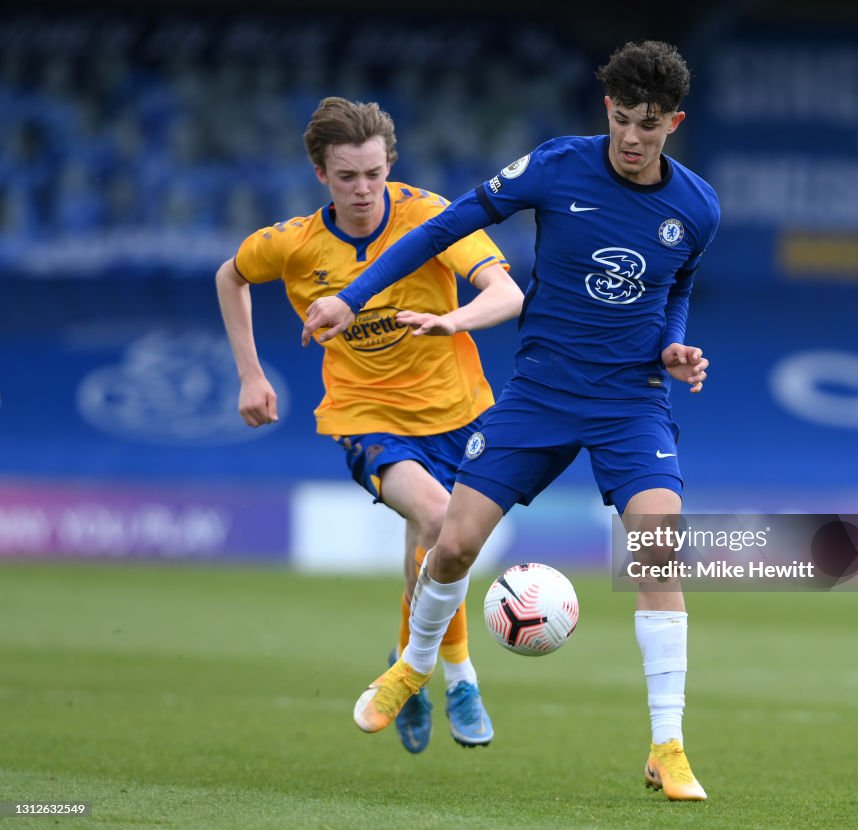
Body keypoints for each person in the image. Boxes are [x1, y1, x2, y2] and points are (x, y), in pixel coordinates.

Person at [302, 41, 716, 800]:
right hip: (541, 393)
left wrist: (675, 348)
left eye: (648, 125)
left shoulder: (697, 207)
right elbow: (439, 229)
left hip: (631, 400)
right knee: (453, 543)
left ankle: (669, 745)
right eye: (622, 120)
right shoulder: (557, 165)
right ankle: (415, 665)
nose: (631, 138)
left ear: (674, 123)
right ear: (607, 111)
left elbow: (677, 286)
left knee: (659, 555)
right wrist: (353, 296)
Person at [216, 96, 523, 754]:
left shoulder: (430, 216)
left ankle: (406, 664)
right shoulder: (294, 244)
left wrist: (454, 319)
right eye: (347, 176)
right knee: (440, 520)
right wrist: (250, 372)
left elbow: (507, 294)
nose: (363, 189)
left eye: (375, 174)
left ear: (392, 166)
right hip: (366, 416)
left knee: (439, 545)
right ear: (320, 174)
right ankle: (460, 677)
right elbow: (230, 275)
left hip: (461, 413)